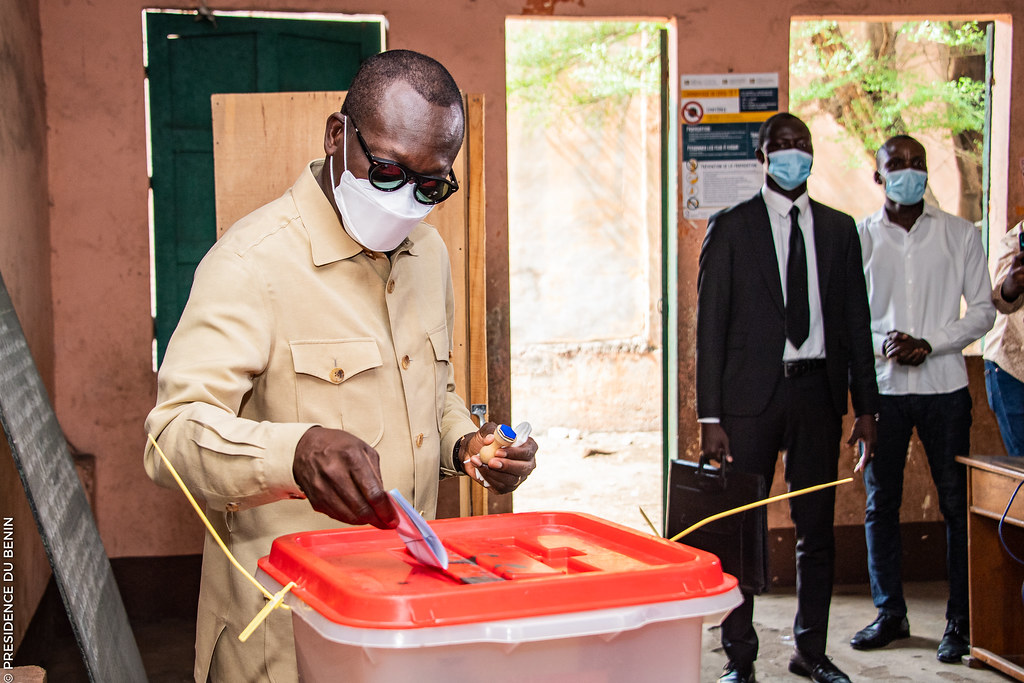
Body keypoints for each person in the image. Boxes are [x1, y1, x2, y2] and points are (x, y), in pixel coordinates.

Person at [143, 50, 537, 683]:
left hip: (402, 612)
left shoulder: (429, 254)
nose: (407, 202)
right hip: (286, 630)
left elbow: (434, 393)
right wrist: (293, 453)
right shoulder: (250, 264)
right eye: (387, 171)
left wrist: (467, 443)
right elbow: (169, 440)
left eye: (432, 184)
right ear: (337, 137)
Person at [696, 112, 879, 683]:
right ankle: (740, 658)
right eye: (781, 145)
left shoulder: (839, 229)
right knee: (741, 530)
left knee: (815, 529)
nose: (793, 153)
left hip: (816, 396)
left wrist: (866, 407)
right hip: (747, 405)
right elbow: (711, 328)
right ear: (762, 156)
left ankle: (810, 651)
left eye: (802, 144)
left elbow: (856, 323)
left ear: (812, 155)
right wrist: (710, 416)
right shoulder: (730, 227)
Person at [850, 135, 994, 664]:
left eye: (918, 164)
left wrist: (932, 342)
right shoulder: (860, 237)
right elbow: (849, 318)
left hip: (945, 390)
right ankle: (890, 613)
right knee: (879, 504)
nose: (909, 172)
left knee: (957, 505)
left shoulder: (960, 235)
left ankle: (961, 621)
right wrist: (881, 344)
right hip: (883, 393)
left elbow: (983, 310)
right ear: (879, 175)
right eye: (897, 165)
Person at [983, 220, 1024, 456]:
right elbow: (1001, 301)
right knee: (1021, 468)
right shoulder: (1015, 239)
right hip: (1012, 368)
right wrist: (1011, 286)